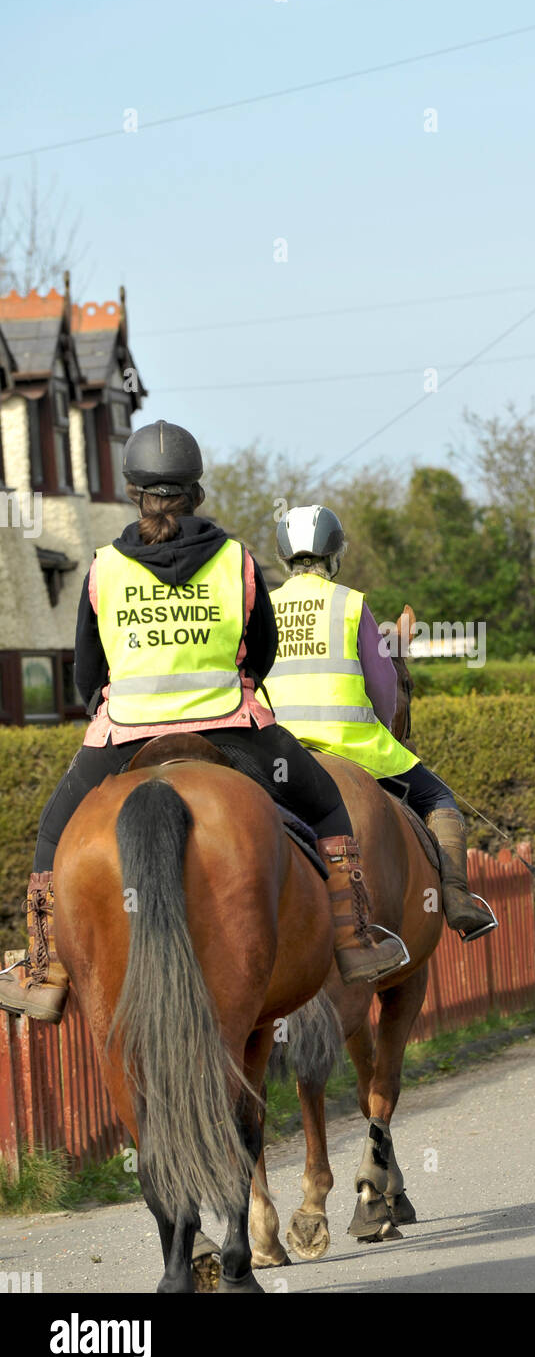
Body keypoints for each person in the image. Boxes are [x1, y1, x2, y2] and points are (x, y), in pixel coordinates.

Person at [0, 424, 407, 1024]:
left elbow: (87, 675)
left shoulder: (104, 567)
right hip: (231, 730)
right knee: (326, 806)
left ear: (135, 492)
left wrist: (112, 704)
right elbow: (261, 652)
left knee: (53, 834)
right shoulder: (236, 560)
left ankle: (43, 970)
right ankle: (354, 942)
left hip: (124, 734)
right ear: (197, 491)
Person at [262, 504, 498, 943]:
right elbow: (384, 681)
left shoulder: (264, 605)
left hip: (280, 756)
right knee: (439, 797)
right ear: (335, 555)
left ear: (283, 559)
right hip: (355, 747)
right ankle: (459, 899)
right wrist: (383, 722)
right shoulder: (350, 604)